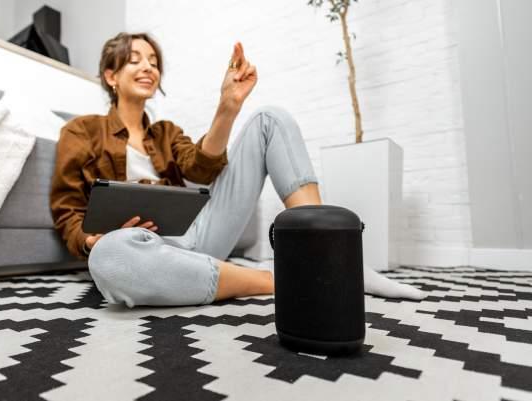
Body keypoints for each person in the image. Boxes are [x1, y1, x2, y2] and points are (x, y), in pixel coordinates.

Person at [50, 32, 425, 308]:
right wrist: (91, 241)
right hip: (139, 247)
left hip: (196, 236)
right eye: (135, 59)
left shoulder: (166, 134)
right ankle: (288, 279)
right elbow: (67, 211)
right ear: (111, 76)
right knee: (108, 259)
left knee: (269, 118)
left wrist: (228, 105)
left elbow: (202, 168)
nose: (148, 66)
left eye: (153, 60)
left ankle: (326, 253)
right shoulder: (81, 132)